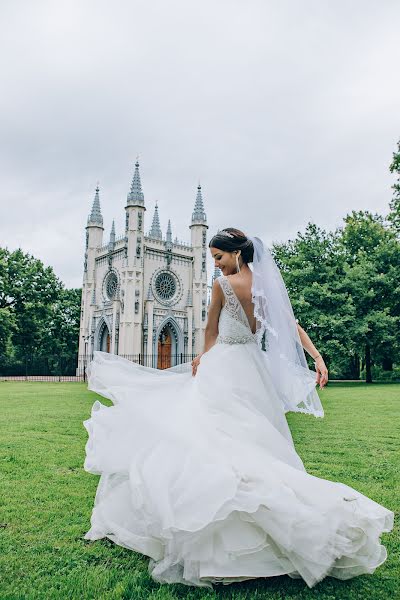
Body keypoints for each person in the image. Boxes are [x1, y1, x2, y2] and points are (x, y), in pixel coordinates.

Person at [83, 227, 394, 589]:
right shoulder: (264, 287)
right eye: (213, 258)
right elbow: (290, 327)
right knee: (251, 438)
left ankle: (220, 517)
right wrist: (317, 358)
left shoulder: (222, 286)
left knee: (213, 436)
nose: (215, 265)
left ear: (236, 254)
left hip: (226, 365)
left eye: (218, 257)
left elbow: (211, 329)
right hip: (252, 367)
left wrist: (204, 356)